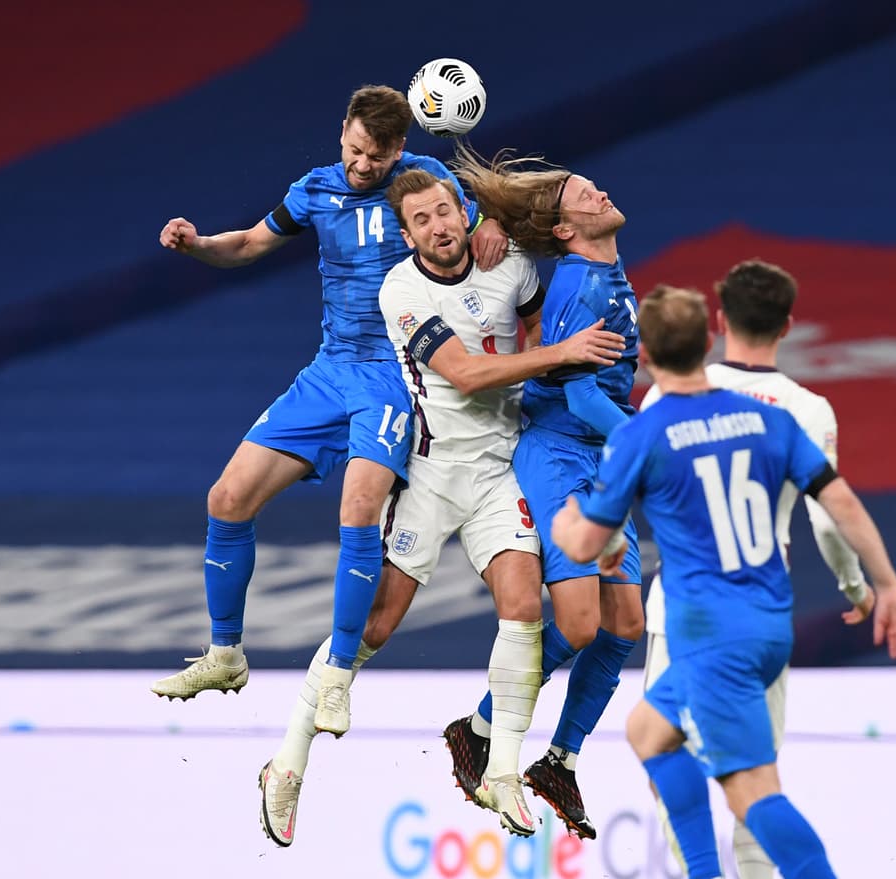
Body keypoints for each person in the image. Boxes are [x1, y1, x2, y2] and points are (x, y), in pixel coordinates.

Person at [256, 169, 626, 846]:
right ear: (407, 234)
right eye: (421, 221)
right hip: (429, 473)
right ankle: (287, 760)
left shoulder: (508, 262)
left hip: (497, 470)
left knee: (521, 608)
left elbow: (540, 318)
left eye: (445, 213)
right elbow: (465, 373)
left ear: (464, 211)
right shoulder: (401, 288)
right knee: (377, 623)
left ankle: (503, 769)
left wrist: (555, 343)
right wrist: (561, 352)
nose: (437, 227)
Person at [150, 85, 508, 742]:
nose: (361, 165)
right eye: (354, 149)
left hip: (397, 375)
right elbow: (252, 244)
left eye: (375, 156)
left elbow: (482, 231)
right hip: (329, 370)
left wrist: (489, 233)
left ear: (399, 148)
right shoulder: (315, 188)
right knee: (227, 497)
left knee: (357, 507)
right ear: (342, 129)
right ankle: (226, 654)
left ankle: (339, 674)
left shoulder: (423, 187)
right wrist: (199, 244)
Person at [552, 285, 896, 879]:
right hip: (768, 620)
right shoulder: (771, 418)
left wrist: (569, 523)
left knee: (753, 793)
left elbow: (593, 545)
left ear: (643, 356)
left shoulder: (644, 432)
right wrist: (888, 587)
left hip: (708, 631)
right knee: (648, 731)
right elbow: (840, 504)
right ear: (707, 342)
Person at [640, 265, 874, 878]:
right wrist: (858, 587)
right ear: (788, 326)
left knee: (663, 753)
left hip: (681, 615)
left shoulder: (674, 389)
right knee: (755, 781)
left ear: (719, 321)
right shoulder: (807, 408)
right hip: (757, 616)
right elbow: (829, 521)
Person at [441, 146, 642, 840]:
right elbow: (582, 395)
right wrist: (648, 438)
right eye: (587, 194)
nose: (601, 193)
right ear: (565, 231)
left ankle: (558, 759)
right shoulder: (579, 288)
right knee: (582, 623)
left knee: (625, 626)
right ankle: (479, 727)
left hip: (600, 460)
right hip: (560, 455)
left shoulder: (606, 271)